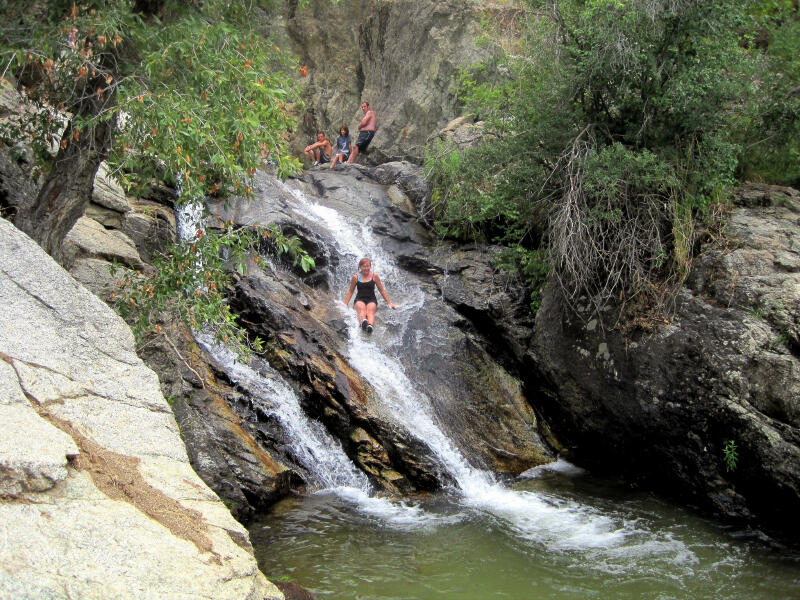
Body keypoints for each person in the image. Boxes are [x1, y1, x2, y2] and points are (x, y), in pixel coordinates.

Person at [343, 257, 396, 333]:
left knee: (370, 312)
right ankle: (363, 322)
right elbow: (350, 291)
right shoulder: (356, 277)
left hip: (371, 299)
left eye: (368, 266)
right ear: (360, 267)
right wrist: (345, 304)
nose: (366, 268)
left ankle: (370, 326)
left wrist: (389, 303)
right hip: (359, 299)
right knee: (362, 310)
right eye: (364, 266)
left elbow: (382, 290)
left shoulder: (374, 276)